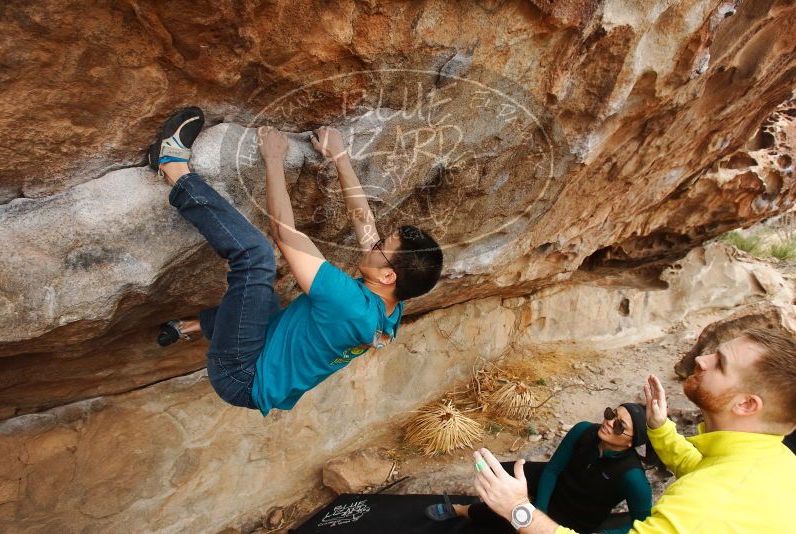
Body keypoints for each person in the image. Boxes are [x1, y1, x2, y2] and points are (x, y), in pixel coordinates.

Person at [148, 107, 443, 415]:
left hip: (240, 374)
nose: (375, 241)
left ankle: (171, 166)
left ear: (387, 276)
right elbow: (363, 222)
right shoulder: (391, 304)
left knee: (255, 258)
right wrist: (340, 157)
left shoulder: (348, 305)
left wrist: (273, 159)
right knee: (265, 297)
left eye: (382, 245)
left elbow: (283, 231)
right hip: (266, 351)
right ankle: (192, 326)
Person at [471, 329, 796, 533]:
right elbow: (701, 467)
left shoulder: (710, 505)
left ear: (746, 405)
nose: (702, 359)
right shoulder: (771, 460)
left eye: (721, 363)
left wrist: (521, 512)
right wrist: (660, 428)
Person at [426, 404, 652, 533]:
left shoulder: (633, 477)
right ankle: (476, 507)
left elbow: (643, 523)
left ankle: (462, 510)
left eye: (620, 425)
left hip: (577, 516)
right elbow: (553, 469)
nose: (609, 422)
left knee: (509, 520)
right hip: (560, 482)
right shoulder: (585, 431)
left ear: (631, 442)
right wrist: (539, 508)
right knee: (501, 473)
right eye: (612, 414)